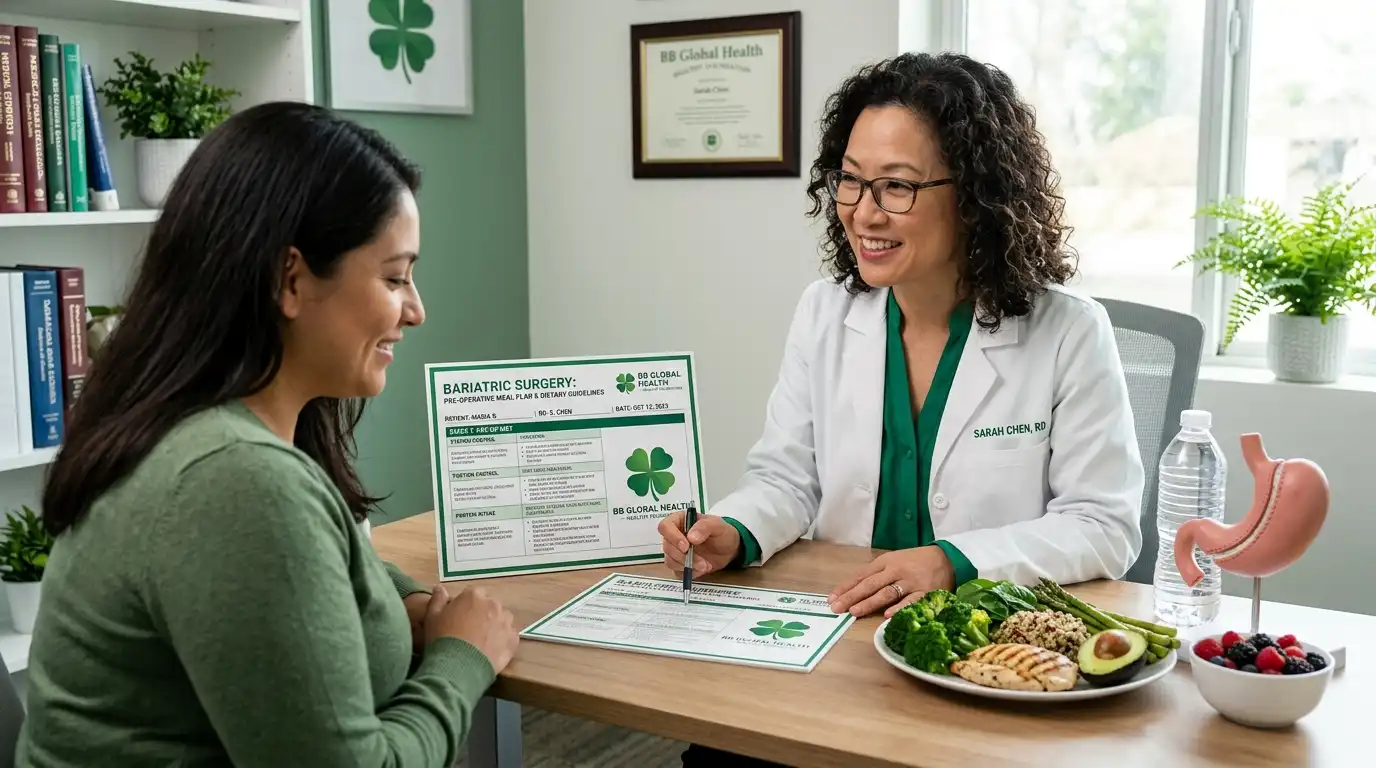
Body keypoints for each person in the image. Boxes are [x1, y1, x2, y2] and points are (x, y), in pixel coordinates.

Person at [663, 50, 1145, 766]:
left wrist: (957, 561)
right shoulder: (826, 312)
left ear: (976, 194)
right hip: (837, 638)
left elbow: (1103, 526)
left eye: (896, 187)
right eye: (850, 182)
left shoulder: (1067, 331)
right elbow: (787, 478)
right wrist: (733, 529)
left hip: (986, 654)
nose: (862, 212)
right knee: (722, 754)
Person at [16, 102, 519, 767]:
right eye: (395, 277)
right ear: (290, 279)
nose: (416, 310)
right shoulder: (236, 482)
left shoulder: (201, 433)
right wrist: (463, 658)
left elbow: (304, 576)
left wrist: (407, 601)